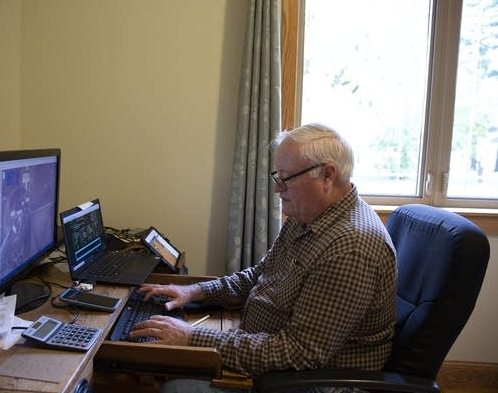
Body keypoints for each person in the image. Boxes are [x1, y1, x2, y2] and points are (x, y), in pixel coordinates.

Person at [129, 123, 397, 393]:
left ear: (327, 175)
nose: (277, 189)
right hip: (269, 355)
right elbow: (260, 274)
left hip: (307, 383)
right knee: (161, 358)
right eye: (276, 177)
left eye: (286, 178)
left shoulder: (351, 248)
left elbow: (297, 354)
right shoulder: (308, 215)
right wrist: (194, 291)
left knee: (177, 387)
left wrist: (192, 337)